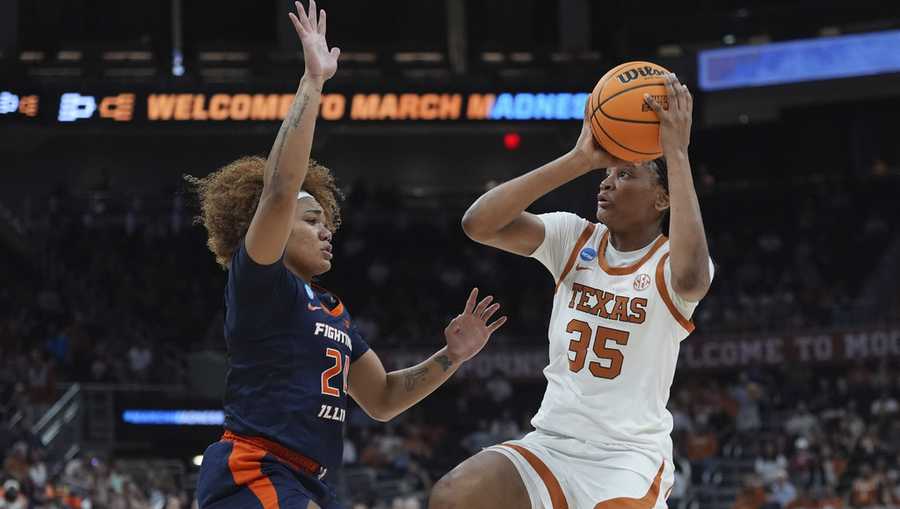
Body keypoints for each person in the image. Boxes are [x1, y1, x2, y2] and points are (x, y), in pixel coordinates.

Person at [187, 2, 507, 508]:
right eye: (311, 220)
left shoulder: (331, 309)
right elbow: (279, 187)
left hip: (310, 480)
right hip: (254, 468)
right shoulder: (260, 283)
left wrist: (452, 357)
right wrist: (313, 83)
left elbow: (381, 399)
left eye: (328, 222)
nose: (326, 230)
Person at [430, 73, 713, 509]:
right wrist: (579, 159)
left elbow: (694, 280)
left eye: (626, 175)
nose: (606, 182)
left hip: (627, 459)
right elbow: (478, 224)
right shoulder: (574, 238)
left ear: (662, 199)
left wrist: (676, 150)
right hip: (554, 442)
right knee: (454, 496)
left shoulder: (670, 262)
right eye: (607, 173)